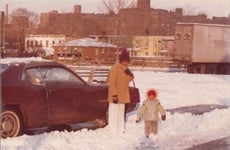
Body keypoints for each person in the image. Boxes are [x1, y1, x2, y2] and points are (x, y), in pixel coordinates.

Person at [107, 48, 134, 134]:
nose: (126, 63)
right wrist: (114, 95)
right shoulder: (115, 68)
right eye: (125, 61)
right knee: (114, 113)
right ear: (121, 60)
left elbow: (129, 79)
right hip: (115, 94)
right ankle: (113, 130)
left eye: (127, 61)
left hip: (123, 95)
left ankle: (121, 129)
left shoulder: (125, 68)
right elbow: (112, 82)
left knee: (121, 113)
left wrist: (130, 74)